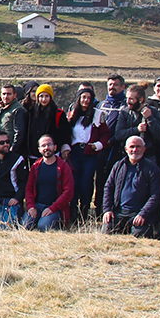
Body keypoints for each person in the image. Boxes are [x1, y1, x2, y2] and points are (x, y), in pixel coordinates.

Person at [64, 85, 110, 222]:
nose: (86, 100)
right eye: (83, 97)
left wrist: (98, 145)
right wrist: (66, 147)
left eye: (89, 98)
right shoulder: (72, 114)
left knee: (86, 183)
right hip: (74, 152)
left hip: (90, 153)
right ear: (79, 99)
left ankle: (84, 213)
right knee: (74, 183)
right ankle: (72, 213)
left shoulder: (97, 114)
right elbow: (66, 133)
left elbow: (106, 133)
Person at [101, 136, 160, 238]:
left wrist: (143, 214)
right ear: (126, 149)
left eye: (138, 147)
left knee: (140, 236)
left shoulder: (152, 168)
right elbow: (108, 187)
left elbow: (156, 195)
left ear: (144, 149)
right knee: (107, 233)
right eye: (132, 147)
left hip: (139, 214)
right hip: (119, 213)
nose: (135, 150)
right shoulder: (118, 166)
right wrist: (107, 210)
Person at [23, 134, 73, 231]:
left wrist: (52, 208)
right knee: (24, 225)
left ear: (55, 147)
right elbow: (29, 189)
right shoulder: (35, 166)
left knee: (44, 226)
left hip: (55, 207)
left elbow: (68, 192)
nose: (47, 148)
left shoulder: (63, 167)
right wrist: (31, 206)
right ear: (39, 149)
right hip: (38, 205)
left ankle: (53, 222)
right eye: (43, 146)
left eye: (49, 145)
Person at [24, 84, 70, 157]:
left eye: (46, 96)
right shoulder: (30, 113)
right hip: (33, 154)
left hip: (52, 154)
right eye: (41, 96)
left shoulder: (58, 114)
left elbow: (65, 133)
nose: (44, 99)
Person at [0, 84, 28, 160]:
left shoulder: (18, 110)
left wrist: (12, 151)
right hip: (2, 150)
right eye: (4, 94)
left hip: (12, 152)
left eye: (9, 94)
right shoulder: (4, 108)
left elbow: (19, 133)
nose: (6, 97)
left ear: (15, 95)